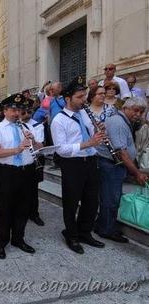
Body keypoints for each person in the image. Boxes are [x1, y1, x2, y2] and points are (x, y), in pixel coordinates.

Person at [51, 76, 107, 254]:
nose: (84, 100)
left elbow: (91, 133)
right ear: (68, 99)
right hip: (73, 164)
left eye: (84, 96)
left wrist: (99, 130)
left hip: (91, 161)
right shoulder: (58, 120)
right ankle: (72, 235)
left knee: (91, 201)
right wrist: (87, 144)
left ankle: (85, 233)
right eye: (80, 97)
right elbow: (61, 149)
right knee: (71, 201)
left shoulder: (84, 113)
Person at [0, 94, 41, 260]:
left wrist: (34, 142)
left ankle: (18, 239)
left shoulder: (26, 127)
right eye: (13, 109)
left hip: (27, 171)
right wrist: (17, 149)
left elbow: (40, 148)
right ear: (4, 111)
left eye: (19, 110)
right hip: (7, 173)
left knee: (23, 208)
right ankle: (1, 242)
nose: (16, 113)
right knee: (5, 209)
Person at [95, 97, 148, 242]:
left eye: (141, 111)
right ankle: (106, 229)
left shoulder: (123, 121)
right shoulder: (118, 122)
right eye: (135, 110)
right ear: (125, 108)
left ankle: (103, 225)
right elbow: (121, 152)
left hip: (113, 165)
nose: (138, 114)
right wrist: (136, 173)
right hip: (110, 165)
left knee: (109, 197)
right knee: (111, 198)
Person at [20, 101, 45, 226]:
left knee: (33, 189)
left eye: (29, 111)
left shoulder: (37, 125)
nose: (26, 114)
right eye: (23, 112)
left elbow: (40, 145)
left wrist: (32, 139)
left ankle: (34, 214)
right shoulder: (15, 124)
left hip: (33, 159)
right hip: (18, 161)